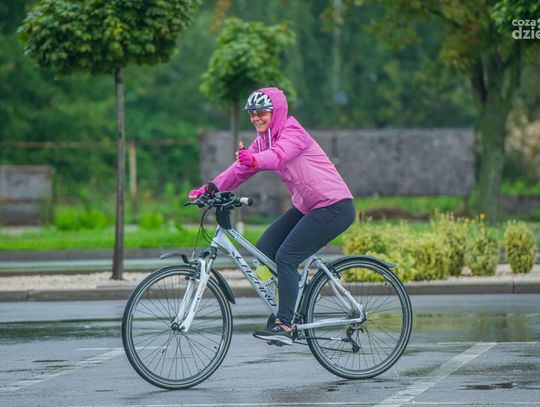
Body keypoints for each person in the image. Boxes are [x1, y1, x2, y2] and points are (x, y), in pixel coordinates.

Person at [189, 87, 355, 346]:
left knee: (286, 257)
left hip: (334, 206)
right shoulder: (265, 139)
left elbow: (277, 156)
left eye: (262, 112)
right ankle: (289, 304)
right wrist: (211, 187)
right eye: (252, 113)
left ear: (276, 111)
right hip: (308, 206)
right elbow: (240, 169)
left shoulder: (293, 132)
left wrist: (254, 160)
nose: (256, 118)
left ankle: (285, 324)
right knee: (264, 251)